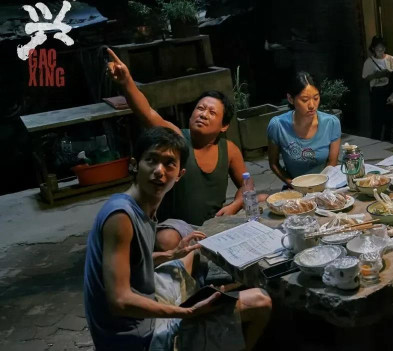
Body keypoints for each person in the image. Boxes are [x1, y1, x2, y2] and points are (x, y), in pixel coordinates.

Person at [83, 127, 272, 350]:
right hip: (137, 337)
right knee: (261, 301)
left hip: (145, 305)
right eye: (151, 160)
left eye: (169, 164)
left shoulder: (142, 206)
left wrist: (171, 254)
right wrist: (186, 312)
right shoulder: (121, 217)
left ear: (180, 174)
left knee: (194, 250)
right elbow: (120, 301)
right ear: (134, 165)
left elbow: (133, 262)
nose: (159, 171)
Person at [106, 48, 250, 248]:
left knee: (264, 199)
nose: (203, 114)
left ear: (224, 126)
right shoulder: (177, 138)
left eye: (212, 112)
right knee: (166, 239)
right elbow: (147, 113)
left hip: (215, 223)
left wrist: (235, 205)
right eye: (200, 108)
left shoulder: (230, 149)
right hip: (179, 226)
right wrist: (126, 82)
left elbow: (247, 184)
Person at [267, 71, 341, 186]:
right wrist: (291, 183)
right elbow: (273, 163)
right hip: (294, 188)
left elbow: (332, 162)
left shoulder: (331, 123)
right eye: (305, 100)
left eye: (316, 98)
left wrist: (320, 187)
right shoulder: (278, 125)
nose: (312, 105)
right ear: (290, 99)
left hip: (325, 186)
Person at [362, 36, 393, 141]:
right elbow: (364, 79)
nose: (380, 51)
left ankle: (388, 142)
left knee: (389, 120)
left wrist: (389, 74)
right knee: (377, 120)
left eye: (382, 48)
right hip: (376, 92)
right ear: (373, 48)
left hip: (389, 90)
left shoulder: (390, 59)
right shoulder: (369, 62)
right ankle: (376, 142)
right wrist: (375, 75)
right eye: (378, 49)